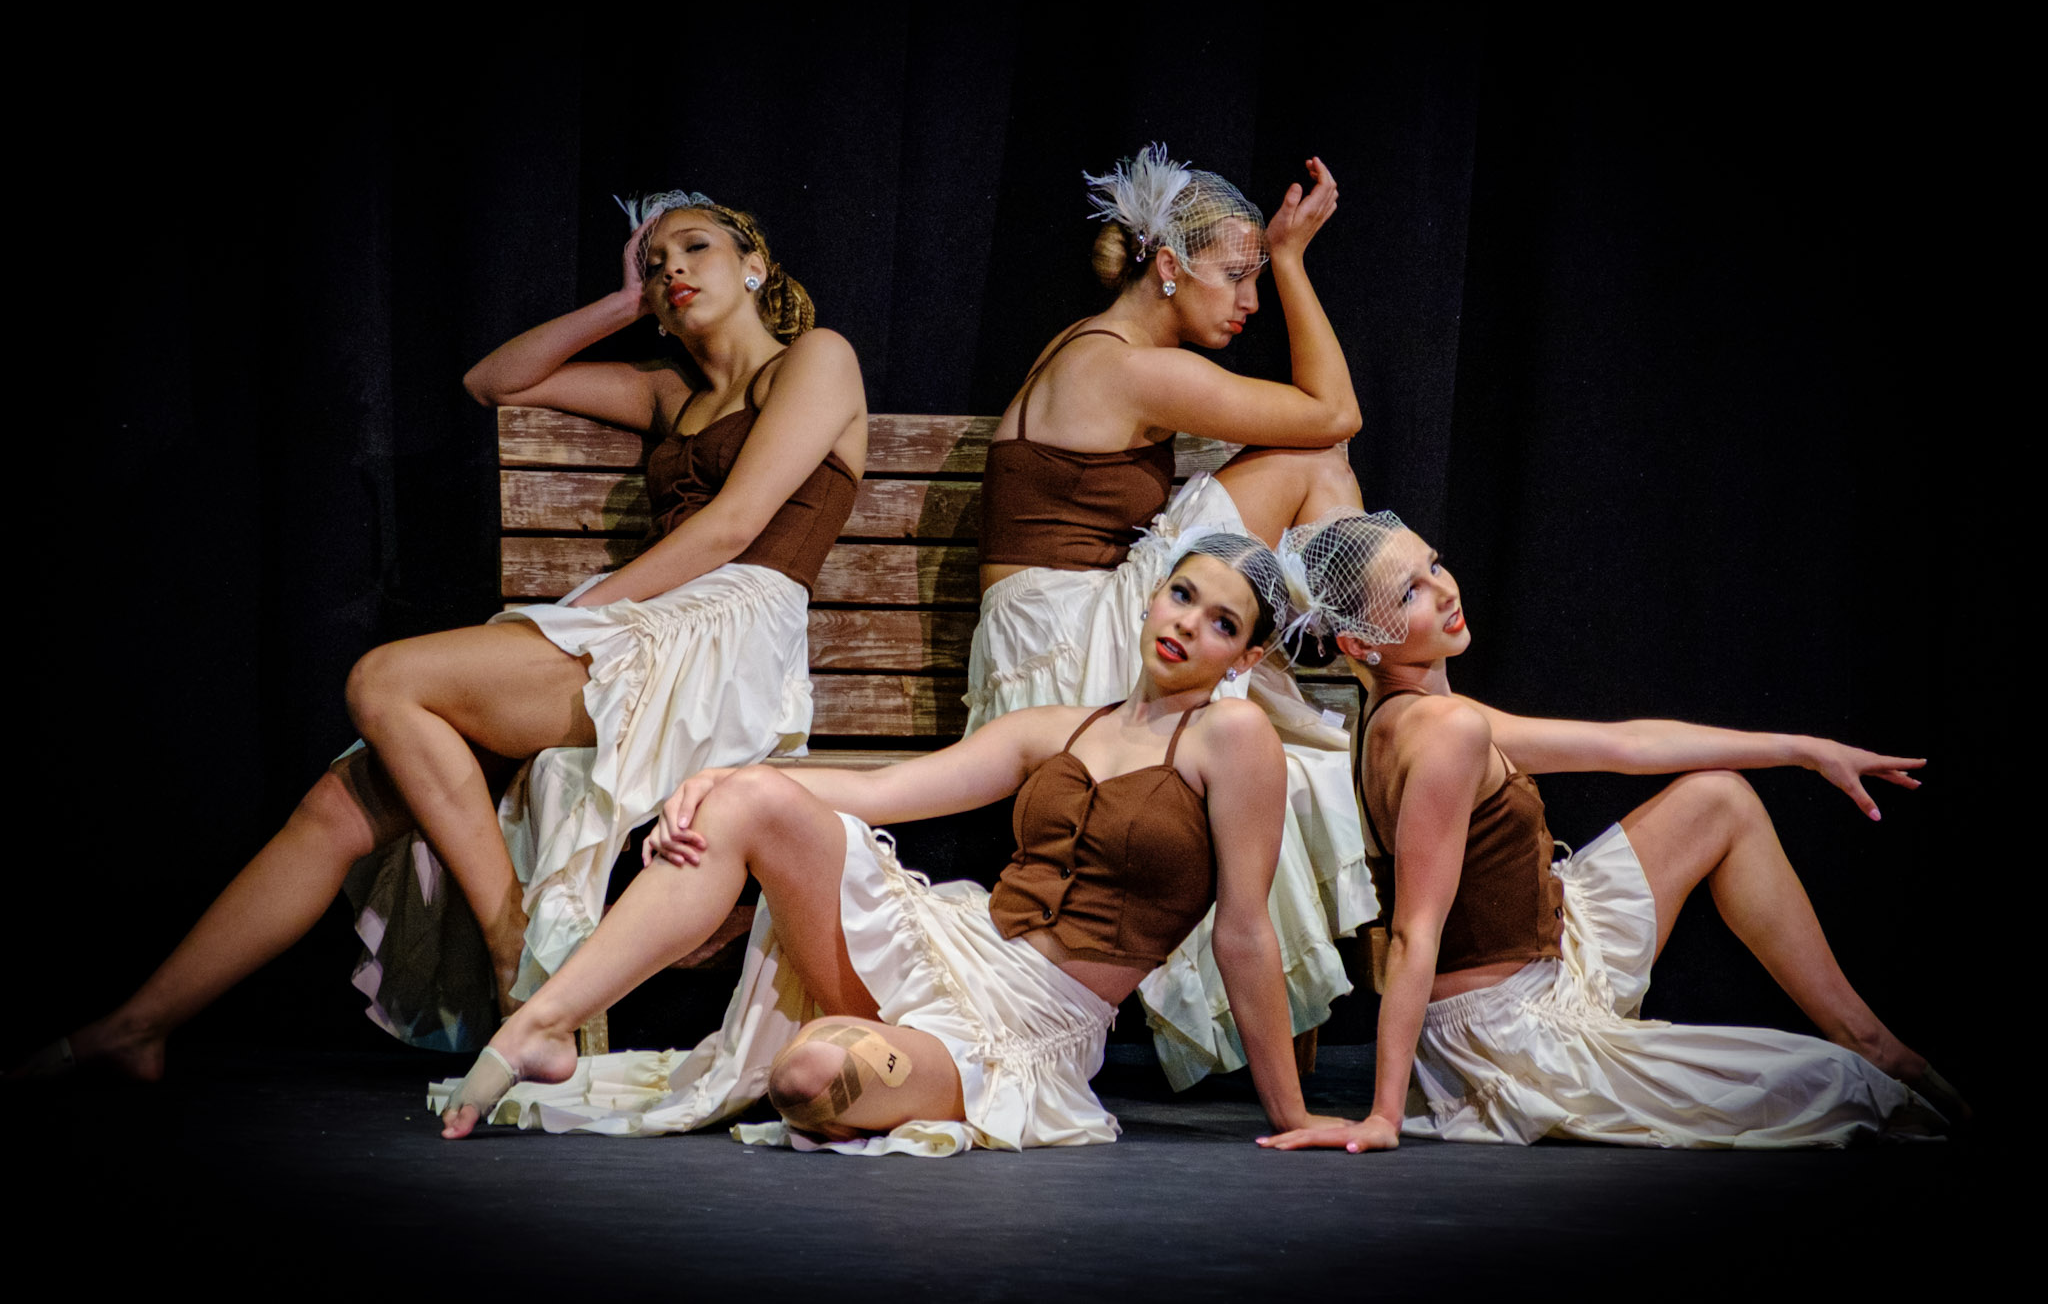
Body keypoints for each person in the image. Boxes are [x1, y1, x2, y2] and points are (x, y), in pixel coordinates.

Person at [19, 191, 865, 1078]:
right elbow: (496, 381)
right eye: (655, 264)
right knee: (339, 804)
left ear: (755, 265)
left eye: (695, 248)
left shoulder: (816, 358)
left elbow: (733, 526)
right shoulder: (668, 391)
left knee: (386, 680)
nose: (672, 269)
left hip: (723, 642)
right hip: (643, 628)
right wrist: (623, 303)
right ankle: (141, 1026)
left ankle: (510, 944)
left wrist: (588, 613)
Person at [436, 534, 1346, 1155]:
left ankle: (866, 1055)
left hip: (1028, 1025)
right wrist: (711, 780)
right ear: (1151, 597)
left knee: (808, 1075)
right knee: (751, 798)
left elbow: (1244, 931)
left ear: (1246, 658)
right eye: (1181, 595)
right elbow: (878, 794)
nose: (1186, 624)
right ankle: (538, 1026)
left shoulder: (1233, 738)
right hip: (946, 945)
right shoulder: (1055, 727)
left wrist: (1292, 1113)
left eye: (1222, 622)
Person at [1259, 511, 1959, 1152]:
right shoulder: (1446, 733)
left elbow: (1623, 744)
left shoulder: (1418, 714)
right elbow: (1415, 933)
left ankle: (1869, 1036)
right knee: (1839, 1090)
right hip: (1511, 1026)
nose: (1444, 591)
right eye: (1410, 592)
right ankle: (1868, 1055)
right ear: (1361, 642)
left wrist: (1806, 750)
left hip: (1555, 939)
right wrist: (1385, 1114)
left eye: (1434, 564)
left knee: (1718, 799)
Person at [970, 144, 1370, 1087]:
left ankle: (1352, 647)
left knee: (1305, 473)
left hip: (1050, 631)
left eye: (1260, 278)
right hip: (1072, 638)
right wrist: (1296, 259)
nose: (1250, 301)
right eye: (1237, 275)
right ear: (1167, 266)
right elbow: (1335, 411)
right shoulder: (1125, 366)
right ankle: (1379, 665)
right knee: (1314, 458)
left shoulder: (1096, 348)